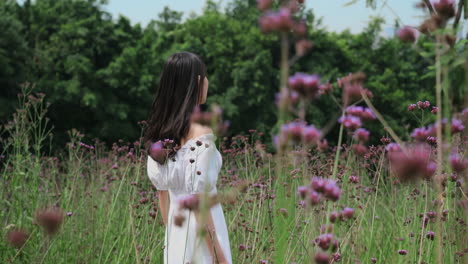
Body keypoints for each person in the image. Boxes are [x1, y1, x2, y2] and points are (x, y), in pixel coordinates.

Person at [143, 52, 232, 264]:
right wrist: (220, 259)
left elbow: (163, 197)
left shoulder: (159, 137)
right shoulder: (201, 134)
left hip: (176, 238)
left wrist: (174, 241)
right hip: (204, 244)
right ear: (199, 82)